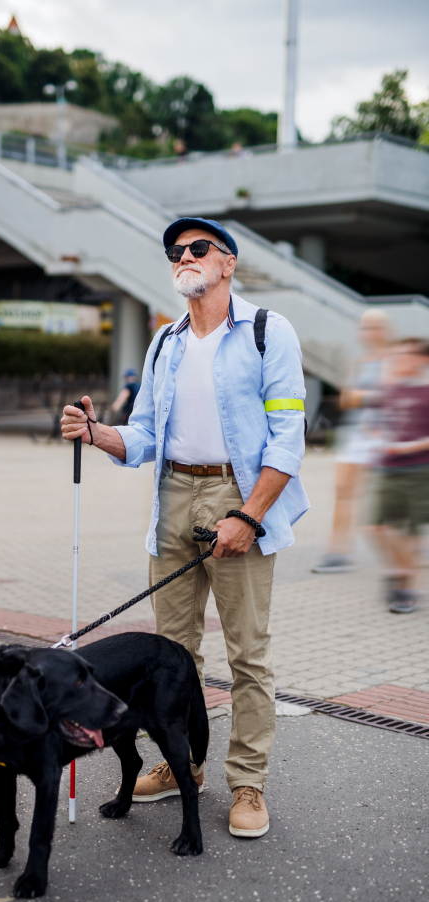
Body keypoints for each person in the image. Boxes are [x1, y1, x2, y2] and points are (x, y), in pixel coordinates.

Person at [61, 217, 308, 839]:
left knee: (247, 653)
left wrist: (250, 515)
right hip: (174, 490)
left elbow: (288, 439)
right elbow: (143, 433)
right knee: (173, 654)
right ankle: (184, 765)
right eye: (175, 252)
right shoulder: (165, 342)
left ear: (228, 263)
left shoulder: (266, 333)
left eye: (199, 249)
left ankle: (247, 782)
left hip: (240, 491)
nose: (184, 258)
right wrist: (98, 434)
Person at [312, 309, 391, 574]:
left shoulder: (393, 362)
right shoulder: (359, 363)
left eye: (375, 328)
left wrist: (362, 396)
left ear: (385, 331)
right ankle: (338, 551)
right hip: (355, 436)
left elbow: (393, 398)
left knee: (386, 497)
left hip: (383, 437)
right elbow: (347, 399)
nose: (369, 333)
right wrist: (371, 396)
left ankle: (407, 551)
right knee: (343, 493)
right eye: (366, 328)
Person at [365, 338, 429, 614]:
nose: (397, 359)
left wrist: (407, 446)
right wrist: (376, 436)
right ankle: (397, 571)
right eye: (395, 354)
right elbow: (375, 422)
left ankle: (406, 588)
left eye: (405, 355)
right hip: (388, 467)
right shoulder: (390, 389)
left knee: (411, 532)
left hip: (418, 470)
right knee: (375, 527)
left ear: (421, 359)